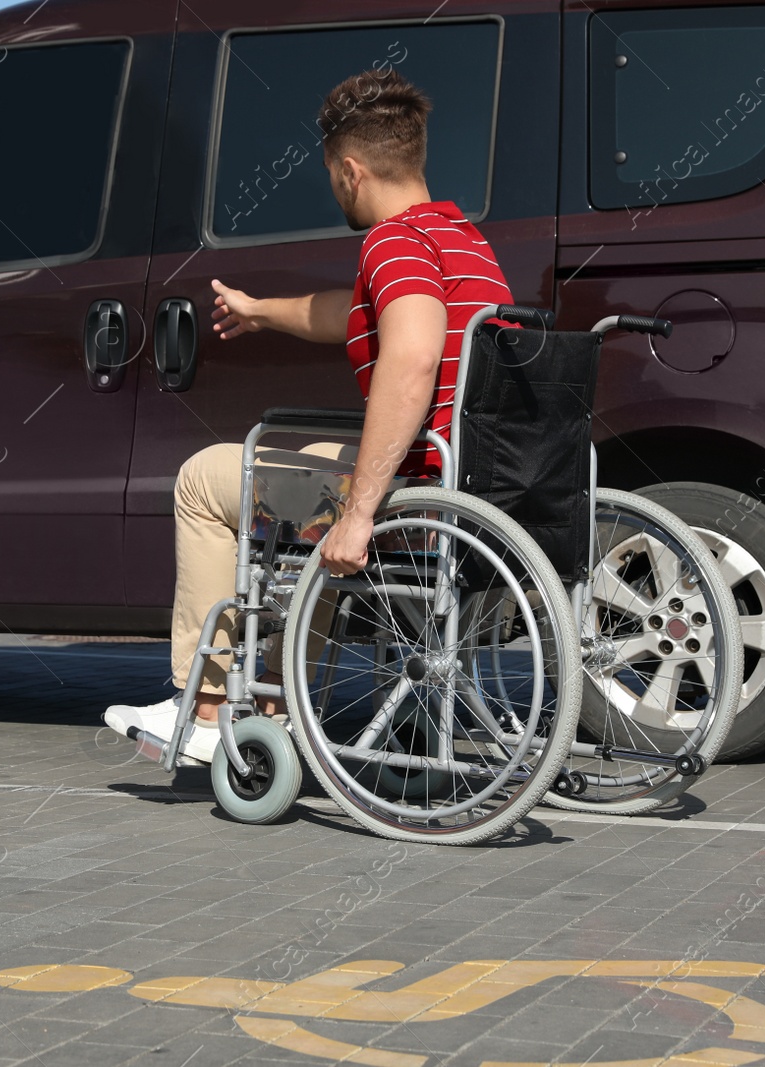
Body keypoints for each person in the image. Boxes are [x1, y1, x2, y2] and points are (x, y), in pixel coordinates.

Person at [103, 69, 514, 762]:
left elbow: (412, 357)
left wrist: (359, 512)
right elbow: (354, 312)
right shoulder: (458, 238)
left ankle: (205, 707)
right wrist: (262, 312)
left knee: (205, 479)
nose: (333, 187)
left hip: (421, 490)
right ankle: (276, 694)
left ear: (351, 171)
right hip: (472, 475)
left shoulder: (391, 244)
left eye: (331, 174)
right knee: (317, 466)